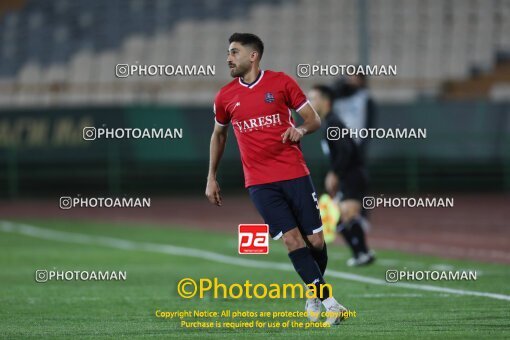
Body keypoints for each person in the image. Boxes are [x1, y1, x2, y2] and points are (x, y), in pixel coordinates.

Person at [205, 33, 347, 325]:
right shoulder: (225, 96)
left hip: (295, 173)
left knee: (316, 242)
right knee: (293, 240)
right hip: (259, 182)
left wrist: (301, 130)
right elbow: (219, 134)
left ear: (253, 56)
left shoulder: (282, 82)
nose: (228, 58)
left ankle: (313, 290)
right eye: (228, 52)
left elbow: (313, 119)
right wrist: (211, 176)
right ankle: (331, 303)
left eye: (234, 52)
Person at [309, 84, 375, 267]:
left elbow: (345, 151)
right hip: (348, 176)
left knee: (347, 215)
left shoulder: (334, 123)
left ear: (325, 101)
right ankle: (362, 253)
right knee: (340, 218)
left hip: (352, 175)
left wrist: (334, 173)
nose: (310, 102)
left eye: (313, 98)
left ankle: (362, 253)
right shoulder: (329, 123)